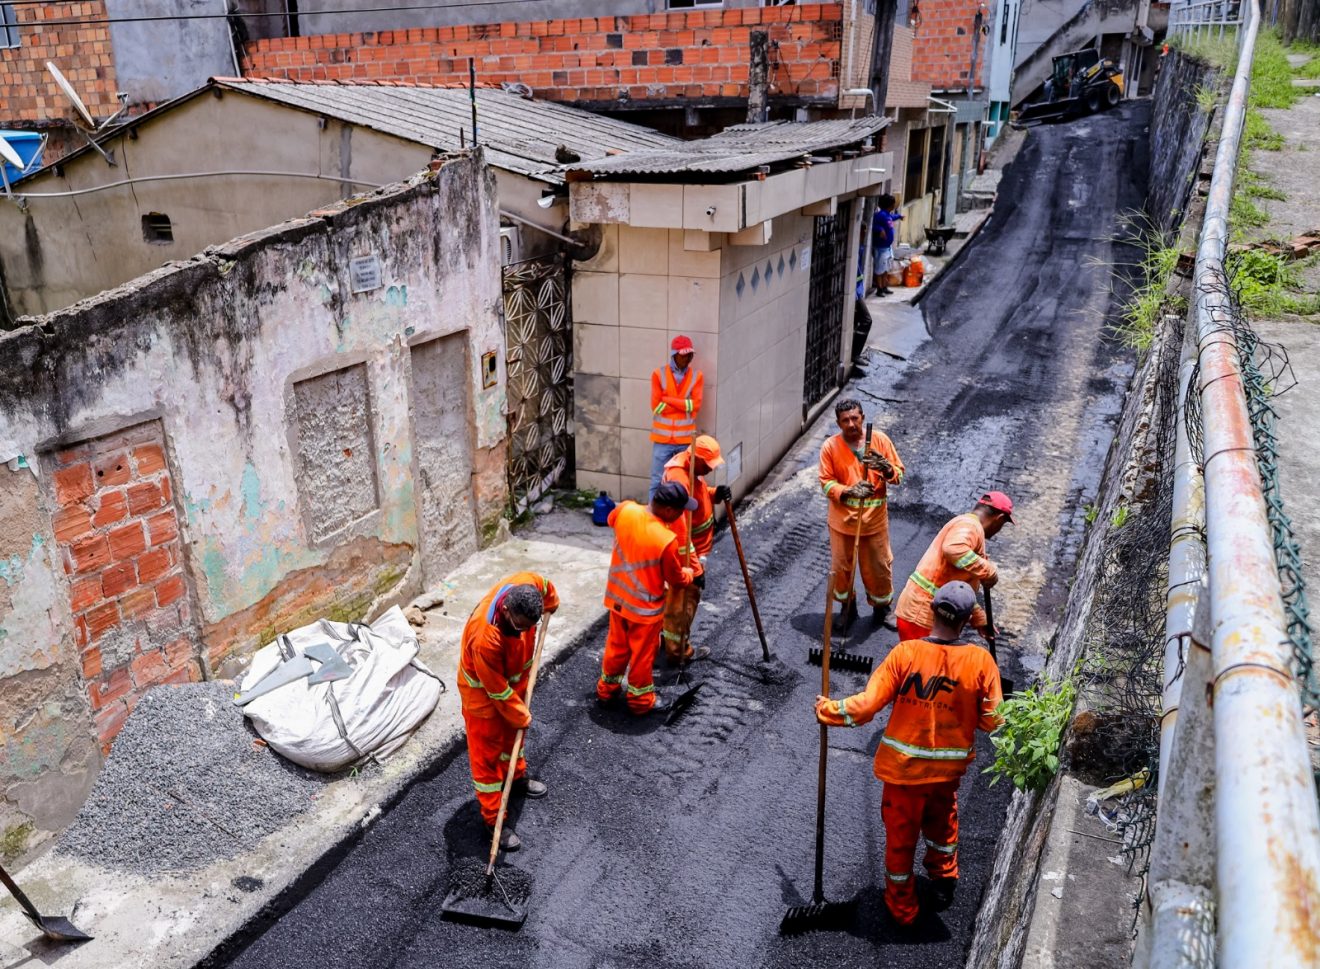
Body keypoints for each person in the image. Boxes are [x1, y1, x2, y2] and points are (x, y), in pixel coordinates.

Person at [815, 581, 1003, 927]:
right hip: (947, 776)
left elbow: (866, 707)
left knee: (901, 842)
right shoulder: (981, 662)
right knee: (941, 826)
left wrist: (828, 710)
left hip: (903, 775)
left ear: (931, 610)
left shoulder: (906, 654)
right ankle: (944, 882)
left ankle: (903, 909)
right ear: (965, 621)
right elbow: (994, 722)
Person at [457, 573, 559, 851]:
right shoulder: (485, 638)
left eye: (531, 627)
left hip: (512, 684)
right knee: (487, 760)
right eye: (519, 626)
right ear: (505, 610)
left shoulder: (527, 583)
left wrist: (553, 603)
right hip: (483, 699)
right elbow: (496, 691)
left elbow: (547, 588)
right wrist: (521, 715)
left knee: (513, 738)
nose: (524, 632)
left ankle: (516, 778)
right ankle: (493, 822)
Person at [597, 481, 696, 715]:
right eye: (682, 510)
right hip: (643, 611)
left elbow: (611, 520)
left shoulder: (626, 510)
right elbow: (676, 579)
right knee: (642, 656)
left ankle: (607, 689)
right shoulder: (665, 539)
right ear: (670, 511)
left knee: (616, 648)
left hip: (617, 600)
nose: (683, 515)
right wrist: (691, 573)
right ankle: (640, 701)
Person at [818, 398, 905, 631]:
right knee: (842, 569)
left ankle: (882, 610)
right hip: (842, 524)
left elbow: (899, 475)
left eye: (855, 418)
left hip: (874, 522)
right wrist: (848, 491)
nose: (851, 424)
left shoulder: (880, 441)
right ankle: (847, 609)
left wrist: (885, 467)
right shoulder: (830, 447)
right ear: (838, 423)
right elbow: (826, 482)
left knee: (879, 567)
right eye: (845, 420)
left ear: (863, 418)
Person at [894, 491, 1014, 642]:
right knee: (921, 664)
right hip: (922, 616)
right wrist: (988, 571)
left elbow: (957, 588)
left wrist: (978, 618)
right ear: (1000, 518)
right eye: (1002, 525)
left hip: (924, 614)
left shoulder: (967, 525)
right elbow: (953, 549)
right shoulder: (970, 526)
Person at [659, 434, 733, 664]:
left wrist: (714, 494)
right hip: (686, 558)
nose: (711, 469)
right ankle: (678, 651)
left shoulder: (691, 469)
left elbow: (698, 497)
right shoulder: (679, 478)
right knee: (683, 604)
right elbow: (682, 535)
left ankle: (670, 643)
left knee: (680, 603)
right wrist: (696, 570)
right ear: (696, 459)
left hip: (695, 552)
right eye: (708, 465)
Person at [650, 335, 704, 499]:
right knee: (657, 482)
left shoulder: (697, 376)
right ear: (674, 354)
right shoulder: (658, 374)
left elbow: (694, 406)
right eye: (683, 355)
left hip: (685, 441)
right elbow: (657, 407)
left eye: (690, 355)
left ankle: (684, 521)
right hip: (662, 441)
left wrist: (668, 400)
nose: (687, 358)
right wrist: (683, 404)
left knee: (687, 482)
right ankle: (653, 518)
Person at [871, 195, 904, 296]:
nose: (894, 205)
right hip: (880, 248)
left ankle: (884, 286)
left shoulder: (887, 215)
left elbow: (892, 218)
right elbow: (874, 225)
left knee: (885, 268)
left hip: (887, 248)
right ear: (890, 205)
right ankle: (879, 289)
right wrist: (880, 230)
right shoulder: (880, 215)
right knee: (880, 269)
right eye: (893, 203)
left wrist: (899, 216)